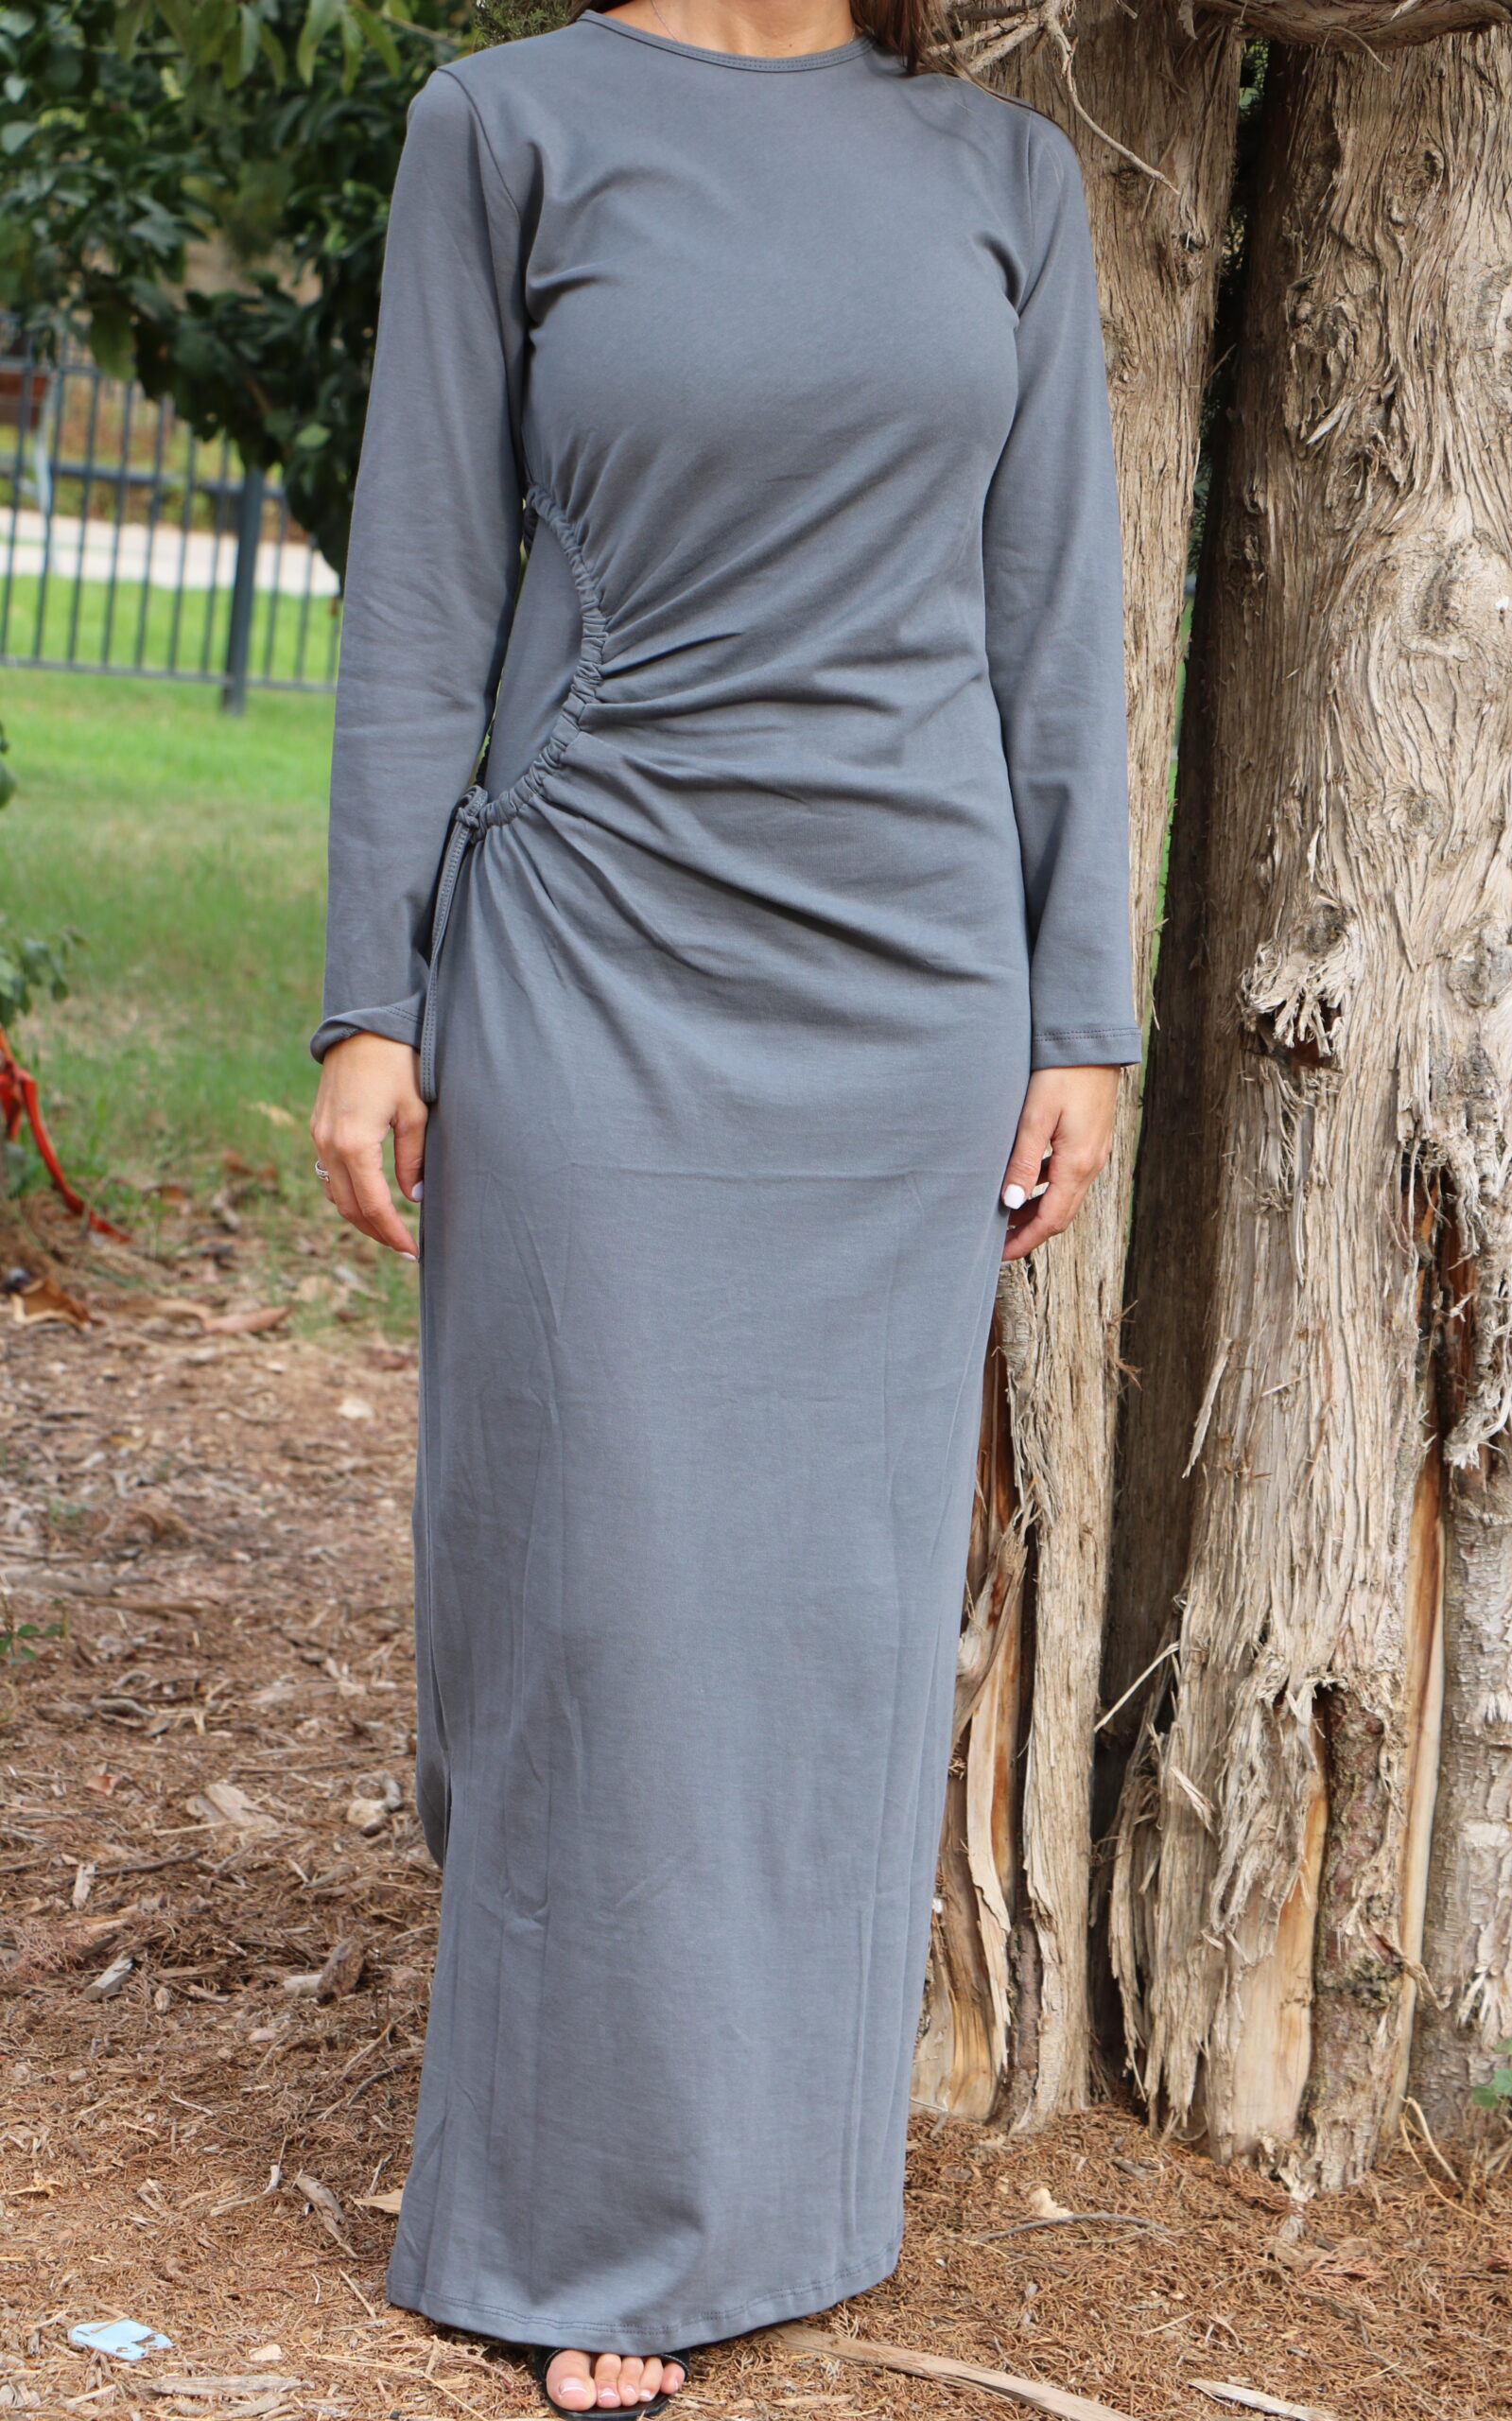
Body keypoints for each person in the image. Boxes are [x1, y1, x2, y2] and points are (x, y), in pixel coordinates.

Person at [308, 0, 1140, 2408]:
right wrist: (374, 993)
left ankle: (774, 2189)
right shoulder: (508, 128)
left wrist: (1076, 1008)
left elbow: (1048, 620)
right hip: (590, 936)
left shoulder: (998, 175)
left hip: (903, 985)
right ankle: (586, 2206)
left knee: (822, 1615)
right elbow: (422, 579)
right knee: (600, 1581)